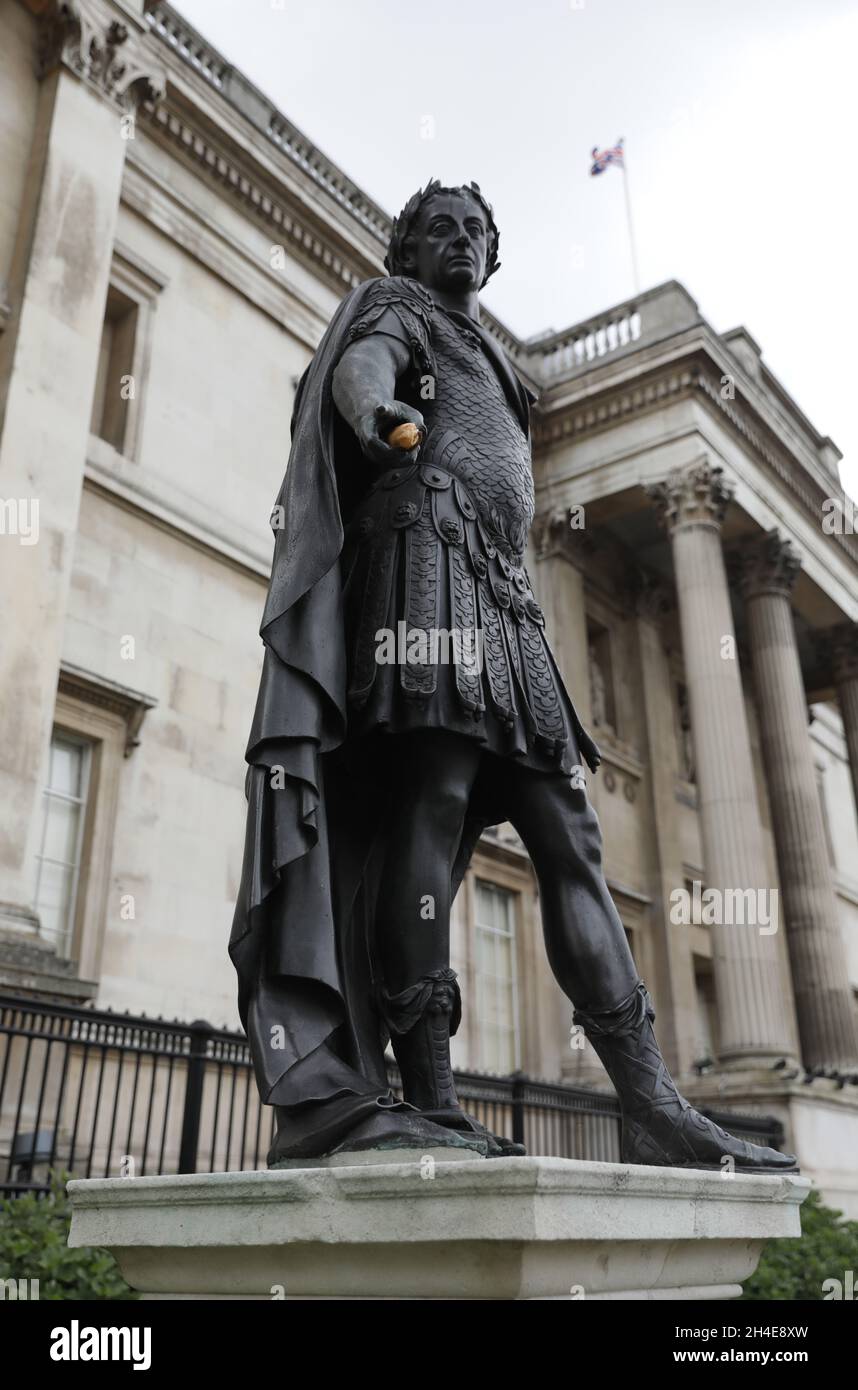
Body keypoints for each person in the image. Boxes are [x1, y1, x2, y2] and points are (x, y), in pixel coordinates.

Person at [231, 179, 796, 1173]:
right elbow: (362, 370)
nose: (457, 240)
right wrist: (375, 417)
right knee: (434, 798)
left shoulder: (499, 361)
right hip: (425, 553)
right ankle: (433, 1097)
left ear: (492, 257)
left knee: (571, 831)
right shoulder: (396, 308)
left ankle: (654, 1102)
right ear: (408, 249)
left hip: (508, 594)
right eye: (437, 227)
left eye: (474, 231)